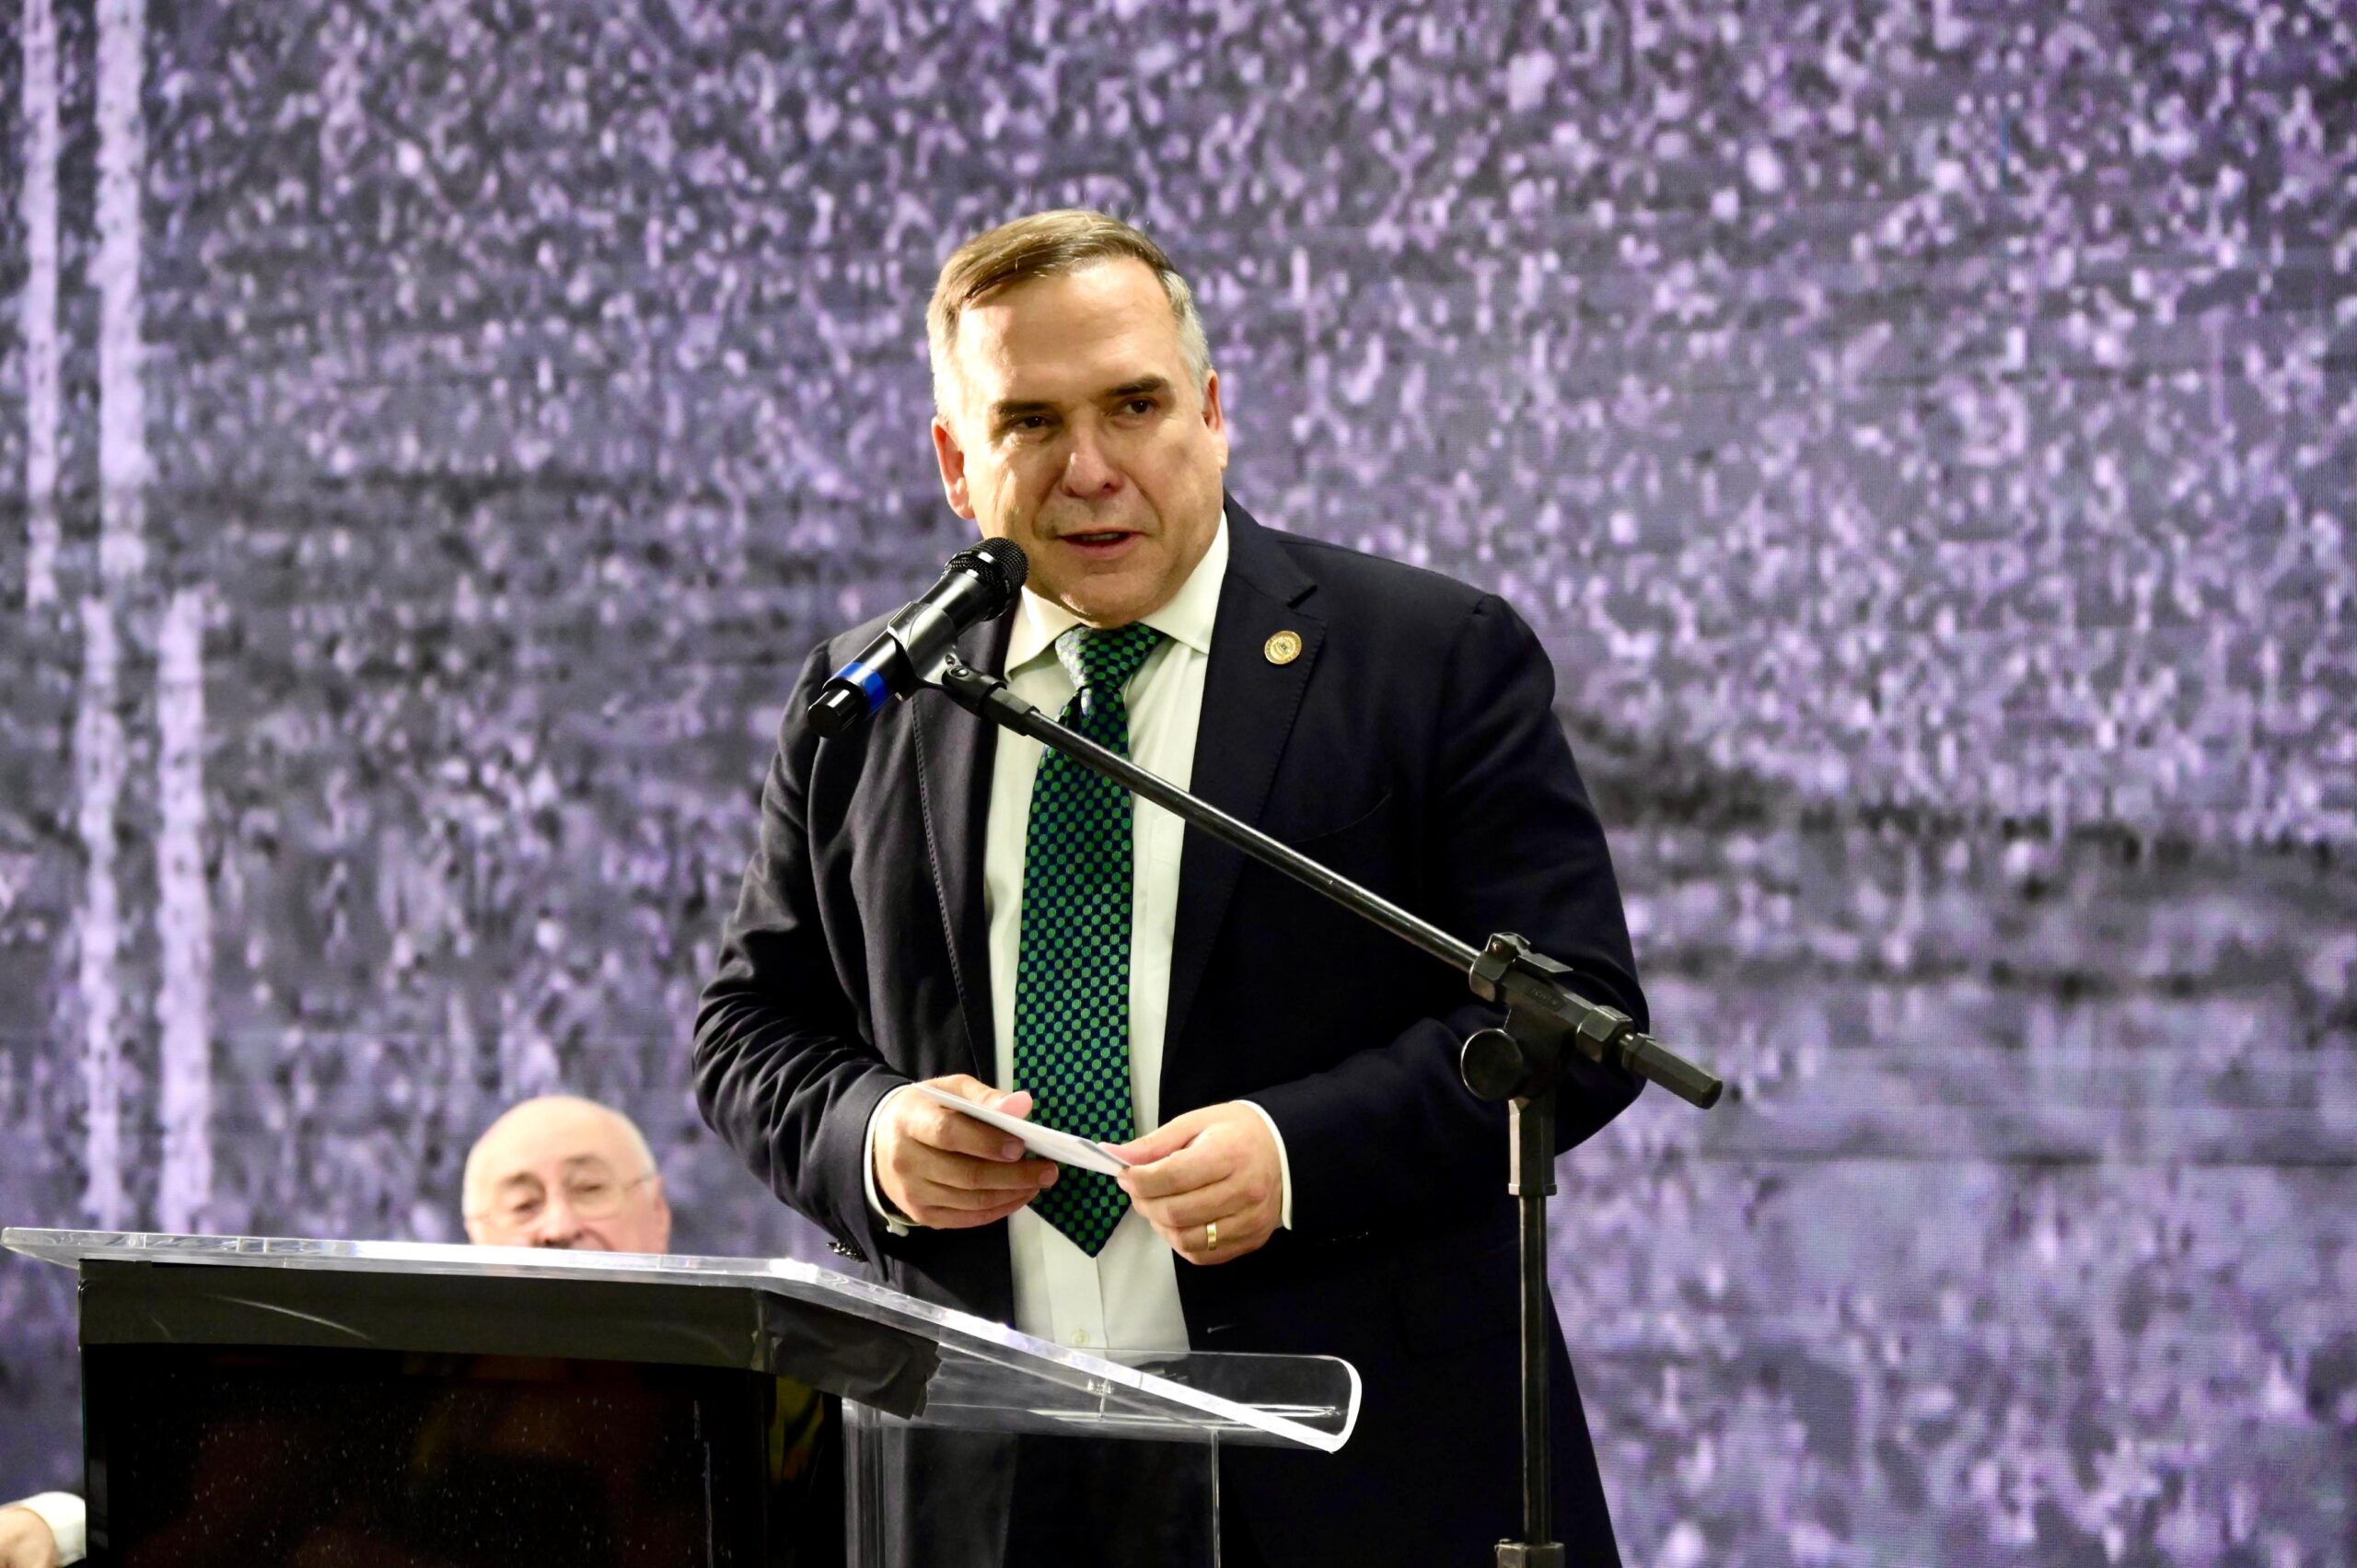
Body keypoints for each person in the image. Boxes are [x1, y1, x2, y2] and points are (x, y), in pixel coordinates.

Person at [695, 209, 1650, 1566]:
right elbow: (746, 1031)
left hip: (1356, 1482)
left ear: (1210, 412)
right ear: (957, 463)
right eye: (1031, 422)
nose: (1090, 468)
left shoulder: (1427, 658)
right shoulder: (873, 696)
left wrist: (1294, 1151)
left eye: (1134, 406)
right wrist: (874, 1133)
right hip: (971, 1483)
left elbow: (1575, 1021)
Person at [0, 1095, 675, 1567]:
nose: (557, 1226)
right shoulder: (396, 1383)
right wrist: (55, 1526)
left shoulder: (727, 1384)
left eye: (590, 1189)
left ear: (658, 1212)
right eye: (524, 1203)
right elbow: (226, 1501)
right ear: (476, 1236)